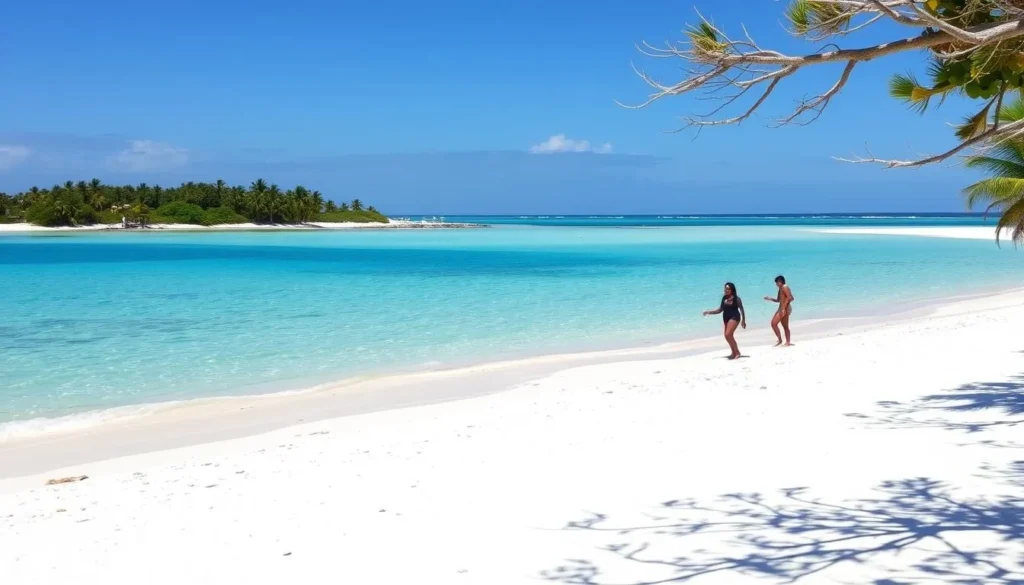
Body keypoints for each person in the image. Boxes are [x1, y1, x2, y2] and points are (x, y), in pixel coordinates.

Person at [703, 282, 746, 360]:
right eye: (725, 289)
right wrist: (709, 312)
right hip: (726, 318)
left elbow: (741, 309)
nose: (725, 290)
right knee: (727, 336)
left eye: (727, 289)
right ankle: (733, 352)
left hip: (735, 317)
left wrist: (743, 320)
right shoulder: (724, 298)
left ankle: (737, 352)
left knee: (728, 334)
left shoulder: (736, 299)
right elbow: (720, 310)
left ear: (732, 290)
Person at [764, 275, 795, 346]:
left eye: (777, 282)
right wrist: (770, 298)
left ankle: (784, 341)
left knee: (774, 324)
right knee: (781, 325)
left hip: (785, 308)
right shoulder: (780, 289)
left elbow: (790, 298)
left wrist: (784, 308)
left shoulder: (785, 287)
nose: (776, 284)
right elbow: (778, 300)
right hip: (781, 308)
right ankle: (784, 341)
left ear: (781, 281)